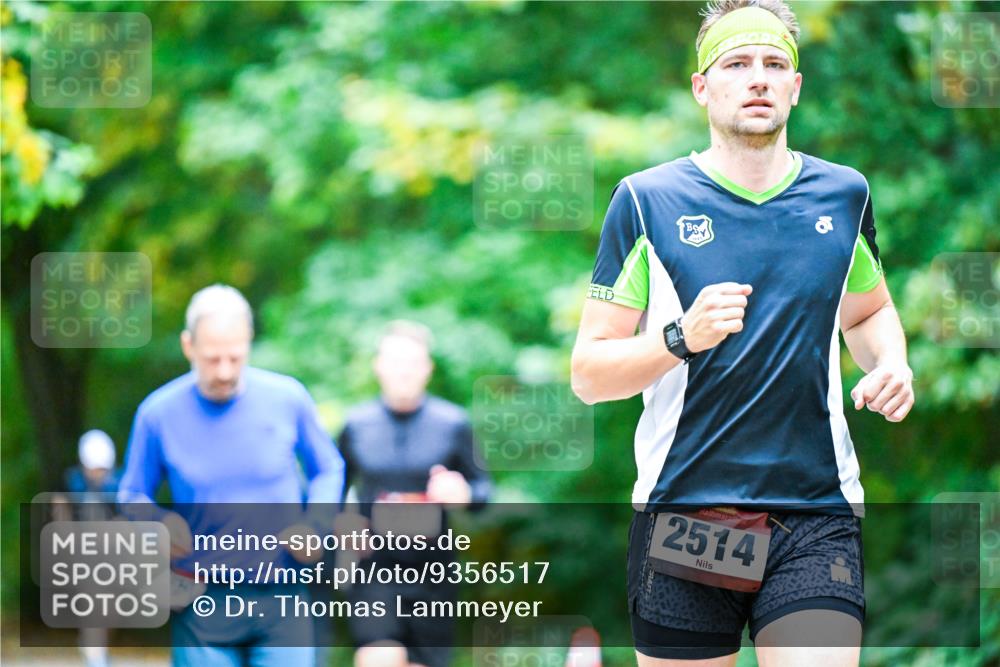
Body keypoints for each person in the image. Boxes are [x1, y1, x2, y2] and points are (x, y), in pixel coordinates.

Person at [570, 2, 915, 666]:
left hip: (815, 512)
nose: (757, 78)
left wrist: (890, 361)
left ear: (796, 86)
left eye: (774, 64)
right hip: (688, 516)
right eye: (736, 64)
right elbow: (588, 374)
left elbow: (867, 313)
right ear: (702, 86)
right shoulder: (646, 201)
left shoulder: (844, 196)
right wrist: (680, 336)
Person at [117, 284, 345, 667]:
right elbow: (131, 494)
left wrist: (316, 523)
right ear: (188, 346)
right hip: (201, 598)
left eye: (235, 358)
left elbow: (329, 468)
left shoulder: (288, 398)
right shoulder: (157, 413)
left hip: (282, 595)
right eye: (212, 359)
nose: (224, 372)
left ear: (249, 342)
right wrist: (156, 521)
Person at [336, 320, 491, 667]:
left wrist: (462, 492)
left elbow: (484, 492)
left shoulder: (452, 423)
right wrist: (342, 524)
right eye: (395, 362)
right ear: (378, 365)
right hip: (373, 569)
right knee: (379, 657)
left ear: (427, 368)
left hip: (434, 575)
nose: (403, 372)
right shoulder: (356, 425)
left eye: (412, 363)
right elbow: (329, 491)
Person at [52, 429, 122, 667]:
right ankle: (96, 656)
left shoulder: (119, 484)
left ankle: (95, 647)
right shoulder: (71, 481)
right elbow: (60, 514)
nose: (97, 473)